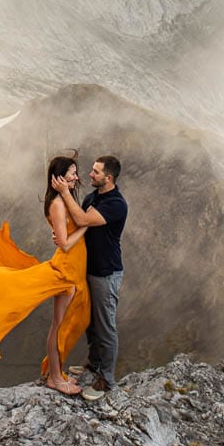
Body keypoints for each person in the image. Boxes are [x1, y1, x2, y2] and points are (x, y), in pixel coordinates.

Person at [0, 156, 92, 395]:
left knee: (67, 323)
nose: (76, 177)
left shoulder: (63, 200)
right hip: (66, 270)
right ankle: (55, 378)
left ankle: (54, 373)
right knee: (58, 325)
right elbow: (65, 244)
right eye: (72, 173)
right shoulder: (57, 204)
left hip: (73, 269)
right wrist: (86, 226)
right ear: (59, 177)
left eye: (76, 173)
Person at [50, 154, 126, 401]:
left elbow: (83, 220)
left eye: (96, 172)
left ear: (109, 177)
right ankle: (94, 365)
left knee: (105, 326)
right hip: (88, 269)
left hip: (106, 272)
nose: (89, 175)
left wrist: (63, 192)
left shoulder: (116, 204)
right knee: (90, 322)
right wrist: (62, 235)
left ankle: (106, 379)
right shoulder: (91, 197)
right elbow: (78, 225)